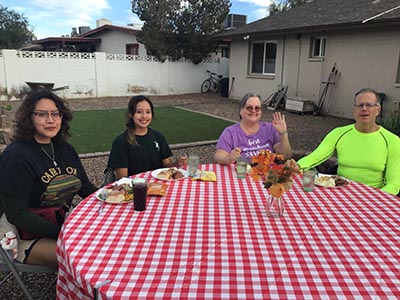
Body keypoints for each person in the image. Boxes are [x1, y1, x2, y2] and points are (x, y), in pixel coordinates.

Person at [0, 89, 97, 268]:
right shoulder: (16, 156)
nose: (50, 120)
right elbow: (17, 214)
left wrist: (110, 196)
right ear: (29, 118)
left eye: (55, 114)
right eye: (42, 114)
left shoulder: (65, 149)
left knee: (107, 243)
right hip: (23, 236)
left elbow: (83, 186)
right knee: (90, 260)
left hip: (60, 224)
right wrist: (63, 232)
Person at [297, 88, 400, 196]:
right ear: (354, 110)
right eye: (360, 105)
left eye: (369, 105)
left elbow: (394, 183)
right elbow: (315, 157)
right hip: (339, 194)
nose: (364, 109)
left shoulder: (392, 140)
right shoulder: (338, 133)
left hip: (373, 197)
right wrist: (297, 166)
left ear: (378, 110)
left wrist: (376, 199)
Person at [107, 95, 183, 179]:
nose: (144, 116)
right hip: (136, 188)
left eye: (148, 112)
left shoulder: (158, 136)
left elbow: (167, 166)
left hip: (160, 186)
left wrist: (177, 163)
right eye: (139, 112)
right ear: (130, 114)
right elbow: (122, 178)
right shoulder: (121, 142)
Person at [214, 92, 292, 164]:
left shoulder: (270, 129)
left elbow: (286, 155)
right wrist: (229, 158)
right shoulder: (230, 132)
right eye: (249, 108)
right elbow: (218, 156)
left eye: (257, 108)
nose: (253, 111)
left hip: (268, 175)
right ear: (241, 110)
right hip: (242, 175)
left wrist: (283, 133)